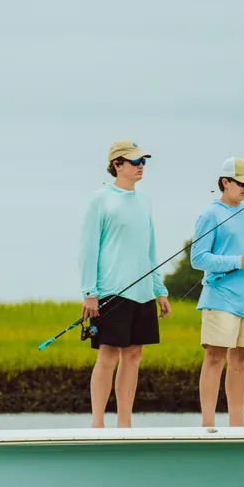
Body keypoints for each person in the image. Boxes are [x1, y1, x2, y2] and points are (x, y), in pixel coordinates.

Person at [79, 139, 171, 428]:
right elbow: (88, 249)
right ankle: (97, 423)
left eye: (143, 161)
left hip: (143, 293)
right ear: (117, 165)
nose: (141, 166)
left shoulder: (144, 201)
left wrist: (159, 289)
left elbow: (150, 249)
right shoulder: (100, 200)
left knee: (134, 356)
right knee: (108, 356)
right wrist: (89, 292)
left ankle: (124, 423)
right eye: (135, 161)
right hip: (111, 292)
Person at [190, 157, 244, 428]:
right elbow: (198, 258)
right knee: (215, 357)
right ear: (225, 182)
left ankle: (237, 425)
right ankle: (207, 424)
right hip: (220, 297)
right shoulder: (210, 215)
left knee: (241, 361)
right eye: (241, 183)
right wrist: (237, 261)